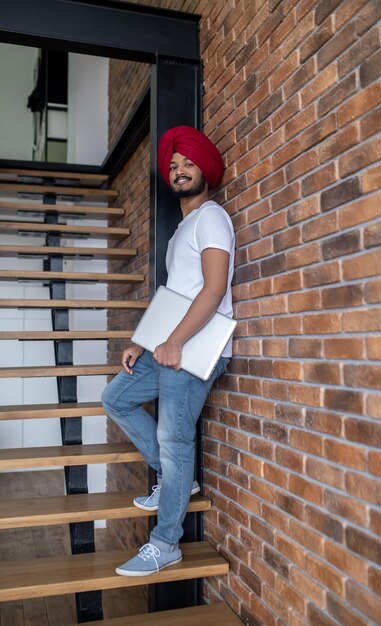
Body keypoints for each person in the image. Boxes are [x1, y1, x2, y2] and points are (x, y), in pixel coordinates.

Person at [101, 125, 235, 577]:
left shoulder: (212, 216)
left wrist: (175, 341)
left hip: (196, 350)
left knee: (174, 440)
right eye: (173, 165)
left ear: (205, 171)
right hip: (172, 348)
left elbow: (214, 290)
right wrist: (143, 340)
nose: (178, 171)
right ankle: (178, 483)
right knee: (116, 398)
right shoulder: (184, 229)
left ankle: (166, 544)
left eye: (187, 163)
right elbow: (177, 293)